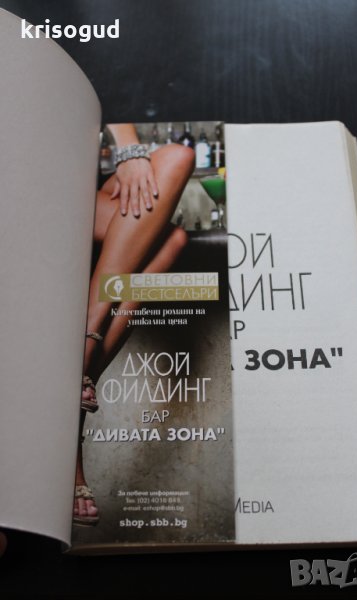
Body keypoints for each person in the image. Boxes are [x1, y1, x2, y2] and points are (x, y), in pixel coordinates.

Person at [73, 123, 194, 525]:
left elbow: (108, 98)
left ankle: (83, 351)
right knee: (171, 240)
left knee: (178, 157)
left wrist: (130, 153)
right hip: (28, 195)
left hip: (77, 185)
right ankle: (83, 362)